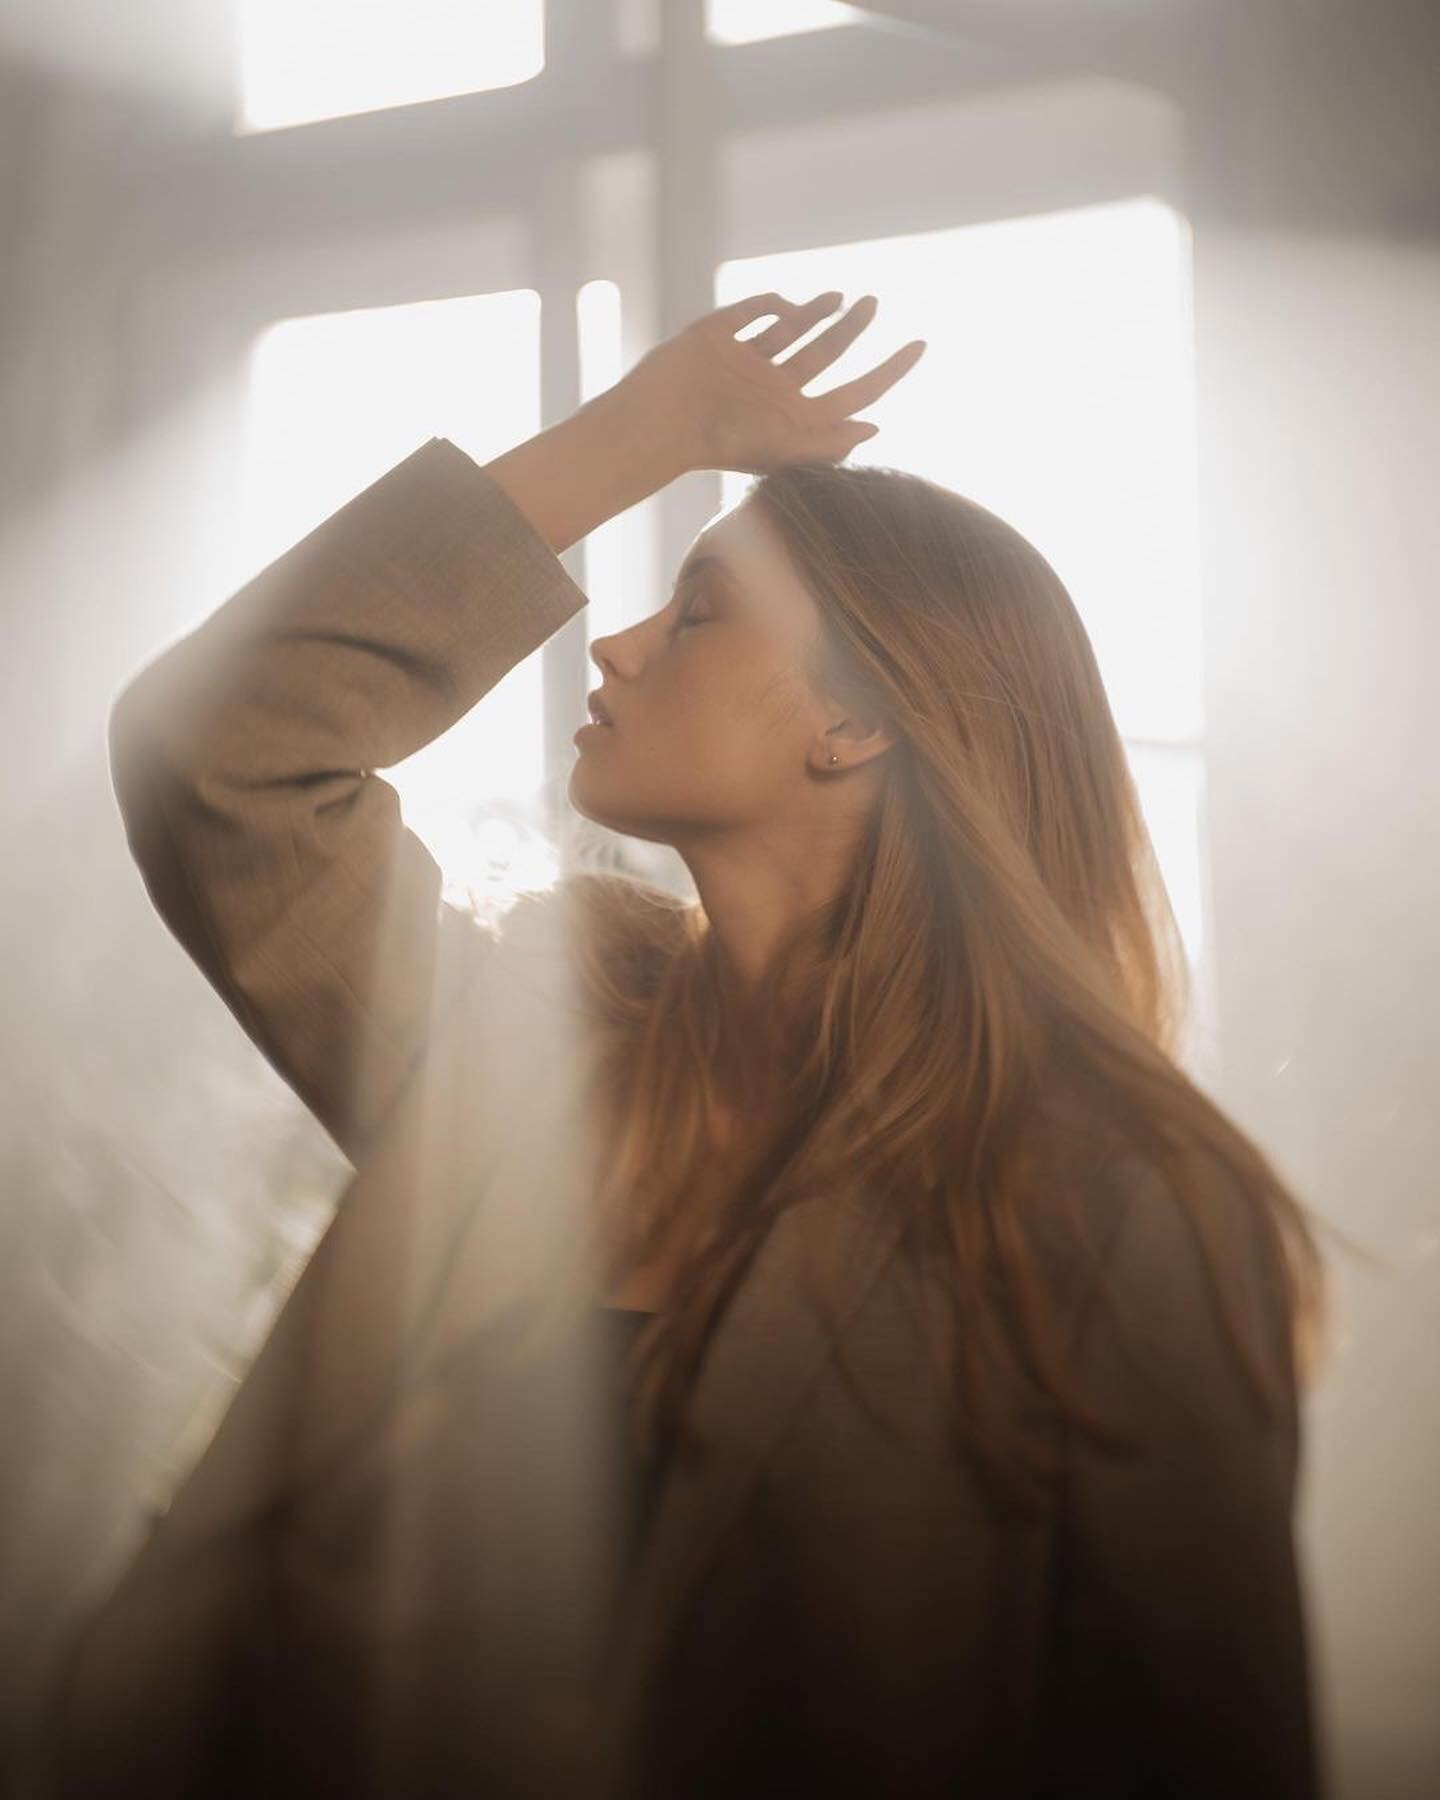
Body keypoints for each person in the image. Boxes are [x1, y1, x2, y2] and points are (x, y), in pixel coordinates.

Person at [43, 290, 1328, 1797]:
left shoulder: (1123, 1207)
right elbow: (223, 751)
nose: (615, 643)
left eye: (699, 609)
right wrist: (652, 430)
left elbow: (1202, 1742)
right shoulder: (521, 1043)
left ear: (857, 723)